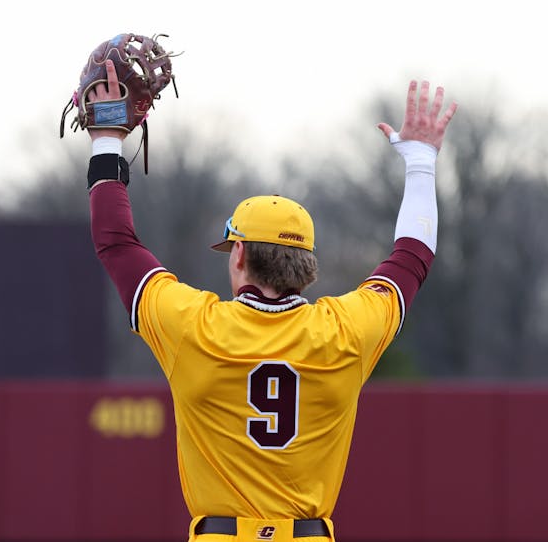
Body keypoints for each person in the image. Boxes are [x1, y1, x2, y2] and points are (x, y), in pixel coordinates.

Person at [86, 59, 456, 542]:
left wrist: (107, 137)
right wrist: (421, 161)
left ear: (239, 254)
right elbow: (412, 255)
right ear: (307, 263)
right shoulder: (344, 332)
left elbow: (116, 241)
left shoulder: (195, 327)